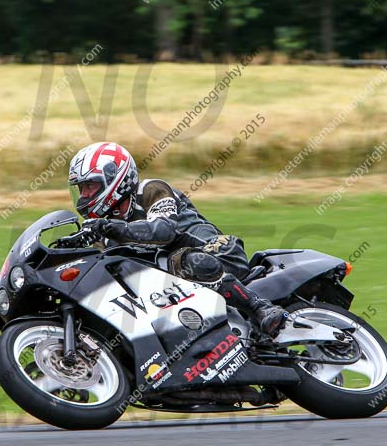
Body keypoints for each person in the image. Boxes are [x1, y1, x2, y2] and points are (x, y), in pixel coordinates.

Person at [67, 141, 287, 339]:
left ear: (114, 178)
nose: (84, 196)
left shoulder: (150, 190)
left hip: (216, 252)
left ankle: (261, 308)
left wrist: (109, 228)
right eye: (81, 189)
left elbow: (163, 231)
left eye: (90, 186)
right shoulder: (105, 234)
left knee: (183, 259)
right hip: (175, 283)